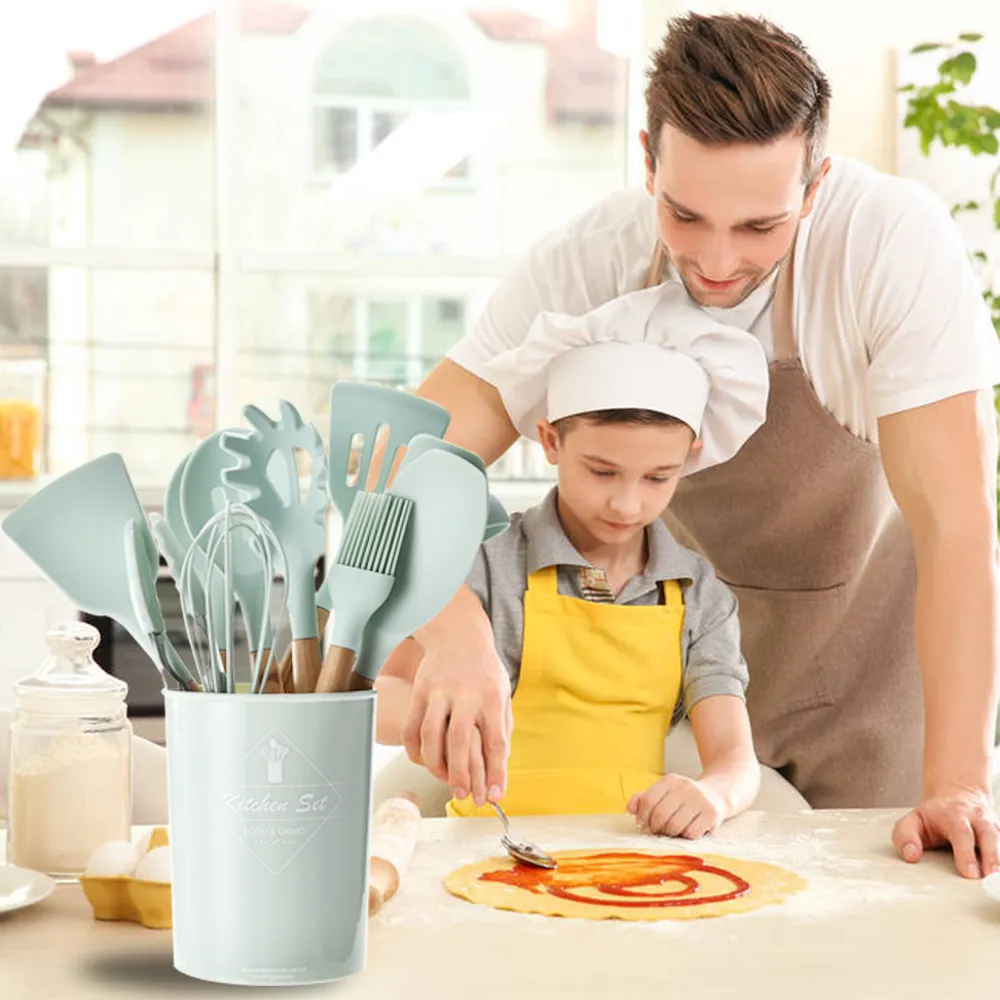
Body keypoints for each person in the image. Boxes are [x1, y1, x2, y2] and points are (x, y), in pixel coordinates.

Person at [400, 12, 1000, 877]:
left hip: (869, 685)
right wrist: (456, 636)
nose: (717, 262)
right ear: (647, 158)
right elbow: (406, 475)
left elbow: (956, 528)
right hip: (670, 707)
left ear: (817, 184)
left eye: (761, 228)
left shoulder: (890, 248)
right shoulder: (587, 262)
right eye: (685, 216)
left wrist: (961, 783)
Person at [376, 286, 769, 835]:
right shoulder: (484, 565)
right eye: (602, 471)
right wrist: (442, 719)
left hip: (631, 853)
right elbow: (384, 696)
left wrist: (712, 795)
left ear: (691, 455)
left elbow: (734, 759)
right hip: (487, 845)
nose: (627, 504)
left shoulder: (699, 596)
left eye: (659, 477)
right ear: (550, 440)